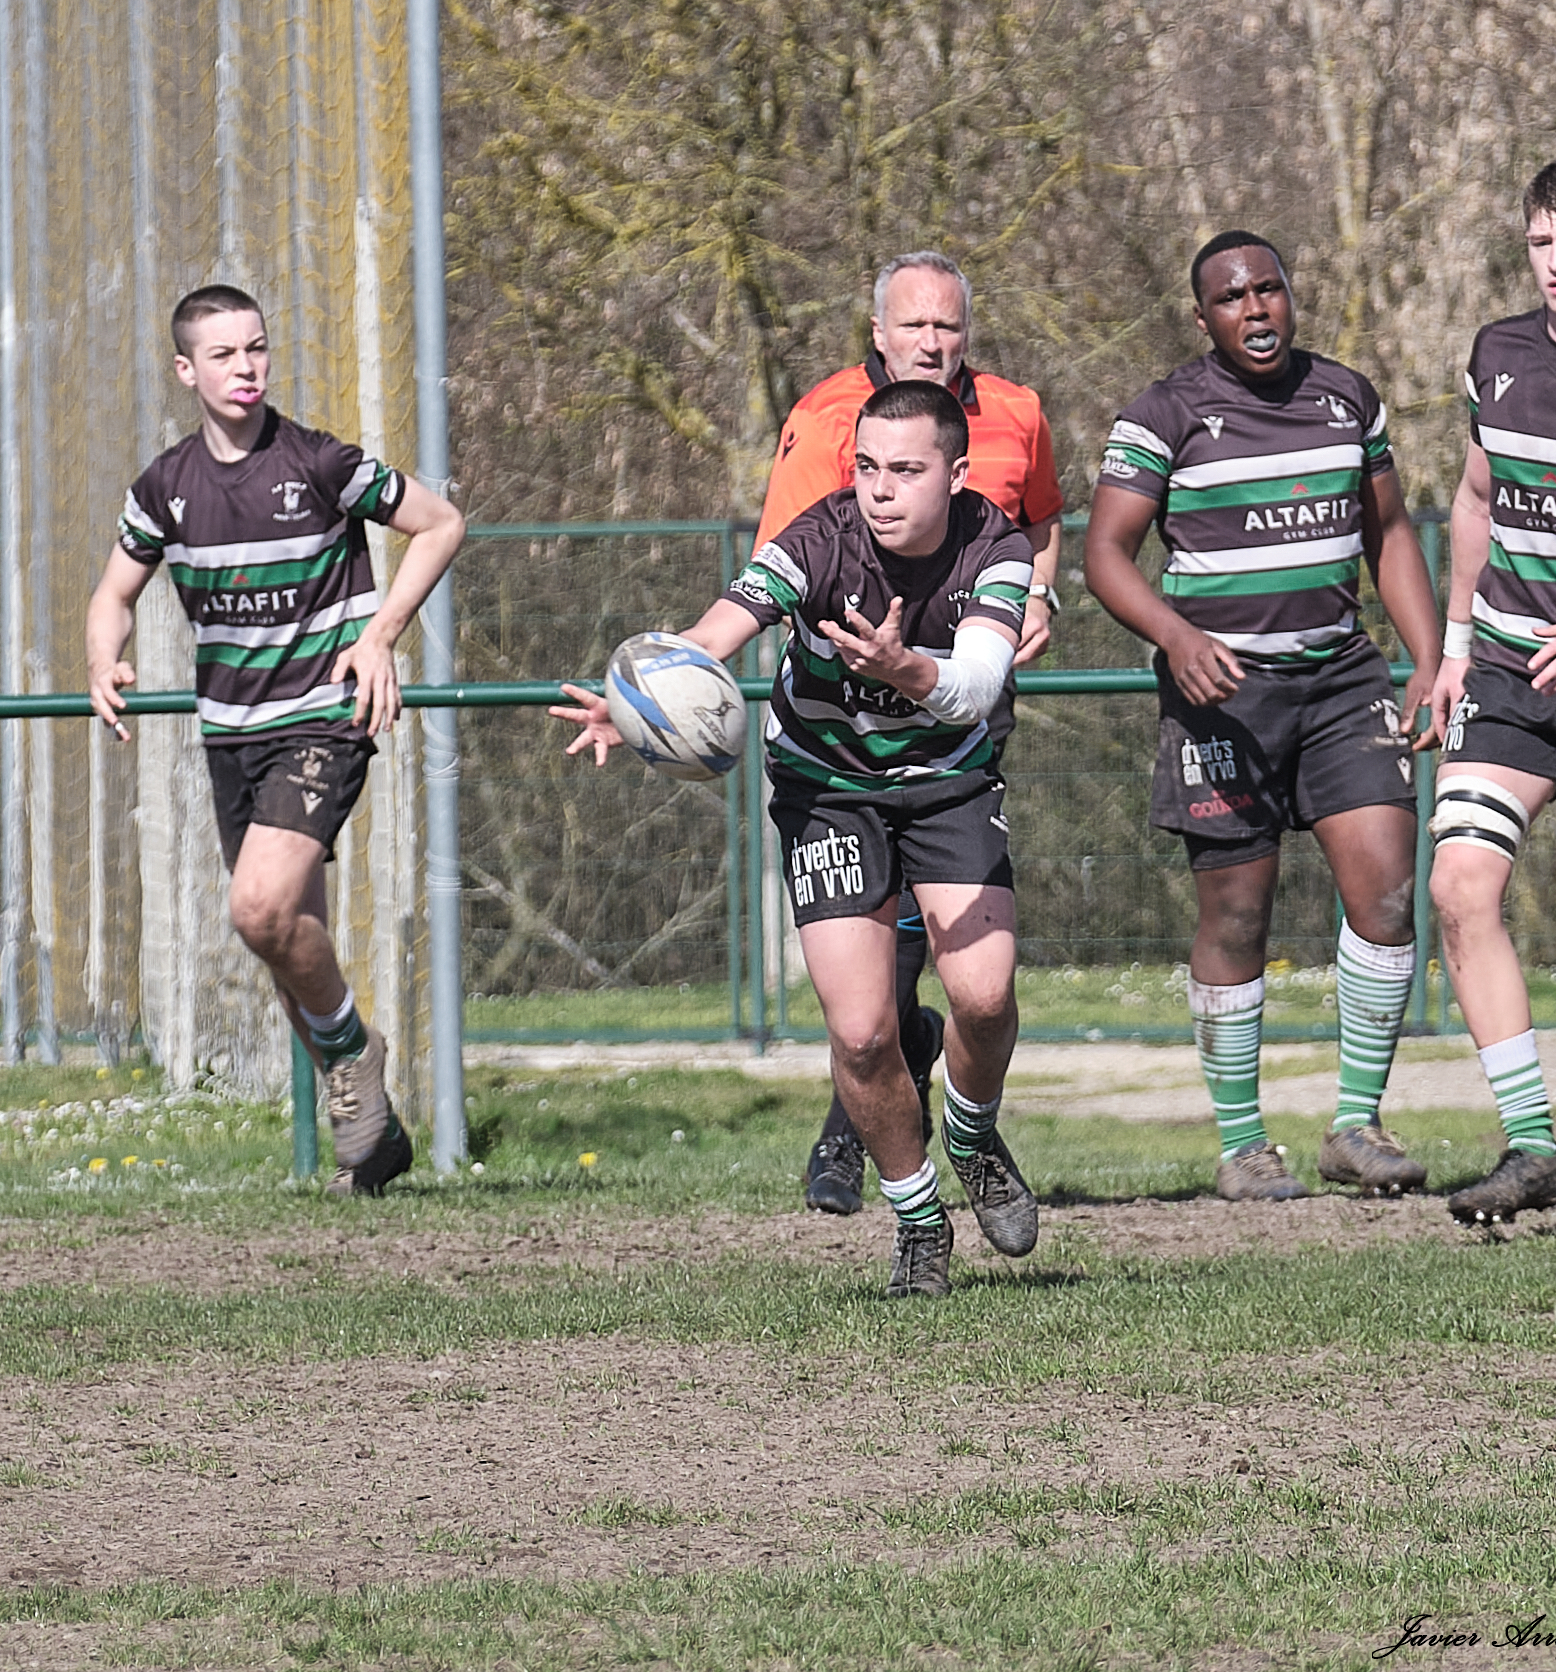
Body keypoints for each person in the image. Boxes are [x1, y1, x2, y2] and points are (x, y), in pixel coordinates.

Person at [556, 380, 1036, 1295]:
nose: (881, 490)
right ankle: (920, 1218)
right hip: (826, 788)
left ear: (957, 472)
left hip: (946, 783)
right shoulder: (817, 539)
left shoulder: (996, 546)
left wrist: (906, 670)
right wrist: (649, 700)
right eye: (868, 468)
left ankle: (973, 1135)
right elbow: (714, 632)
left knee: (982, 994)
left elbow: (975, 684)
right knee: (861, 1035)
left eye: (906, 470)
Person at [1084, 231, 1441, 1202]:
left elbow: (1390, 532)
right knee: (1236, 914)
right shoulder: (1164, 414)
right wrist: (1174, 635)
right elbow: (1105, 554)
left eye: (1268, 289)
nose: (1254, 308)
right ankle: (1242, 1145)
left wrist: (1427, 659)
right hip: (1222, 698)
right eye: (1231, 297)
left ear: (1290, 296)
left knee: (1383, 896)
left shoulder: (1344, 398)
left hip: (1340, 684)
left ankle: (1354, 1125)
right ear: (1201, 317)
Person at [86, 284, 465, 1196]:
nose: (246, 367)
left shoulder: (320, 463)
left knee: (255, 910)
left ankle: (353, 1053)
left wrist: (378, 638)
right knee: (286, 936)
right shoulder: (164, 488)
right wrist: (105, 658)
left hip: (323, 719)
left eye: (256, 348)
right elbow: (113, 595)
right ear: (186, 371)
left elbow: (441, 523)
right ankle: (372, 1146)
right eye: (223, 355)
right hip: (231, 738)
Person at [757, 251, 1065, 1216]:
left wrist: (1031, 593)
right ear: (877, 334)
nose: (931, 343)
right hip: (842, 735)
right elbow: (784, 565)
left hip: (960, 706)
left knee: (977, 981)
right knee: (868, 998)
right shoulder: (828, 422)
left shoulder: (1016, 411)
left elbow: (1040, 522)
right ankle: (870, 1149)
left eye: (948, 328)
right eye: (913, 327)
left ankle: (962, 1123)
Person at [1428, 154, 1556, 1223]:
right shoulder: (1496, 352)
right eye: (1539, 244)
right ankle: (1528, 1146)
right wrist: (1457, 640)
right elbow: (1474, 496)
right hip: (1509, 672)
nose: (1553, 263)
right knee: (1458, 888)